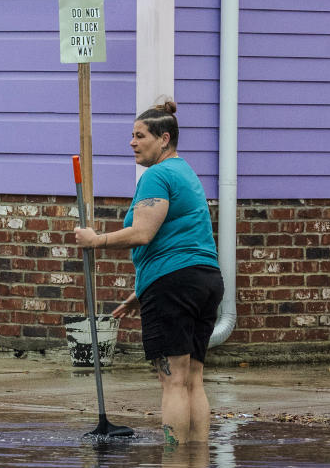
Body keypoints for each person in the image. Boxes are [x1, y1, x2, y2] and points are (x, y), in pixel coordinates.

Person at [74, 97, 223, 448]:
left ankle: (174, 463)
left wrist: (97, 240)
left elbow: (143, 234)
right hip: (204, 280)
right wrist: (143, 292)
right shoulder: (185, 173)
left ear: (164, 139)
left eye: (140, 135)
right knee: (193, 380)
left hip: (173, 283)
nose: (132, 142)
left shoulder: (157, 175)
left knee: (173, 382)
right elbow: (181, 239)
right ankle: (195, 464)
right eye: (132, 135)